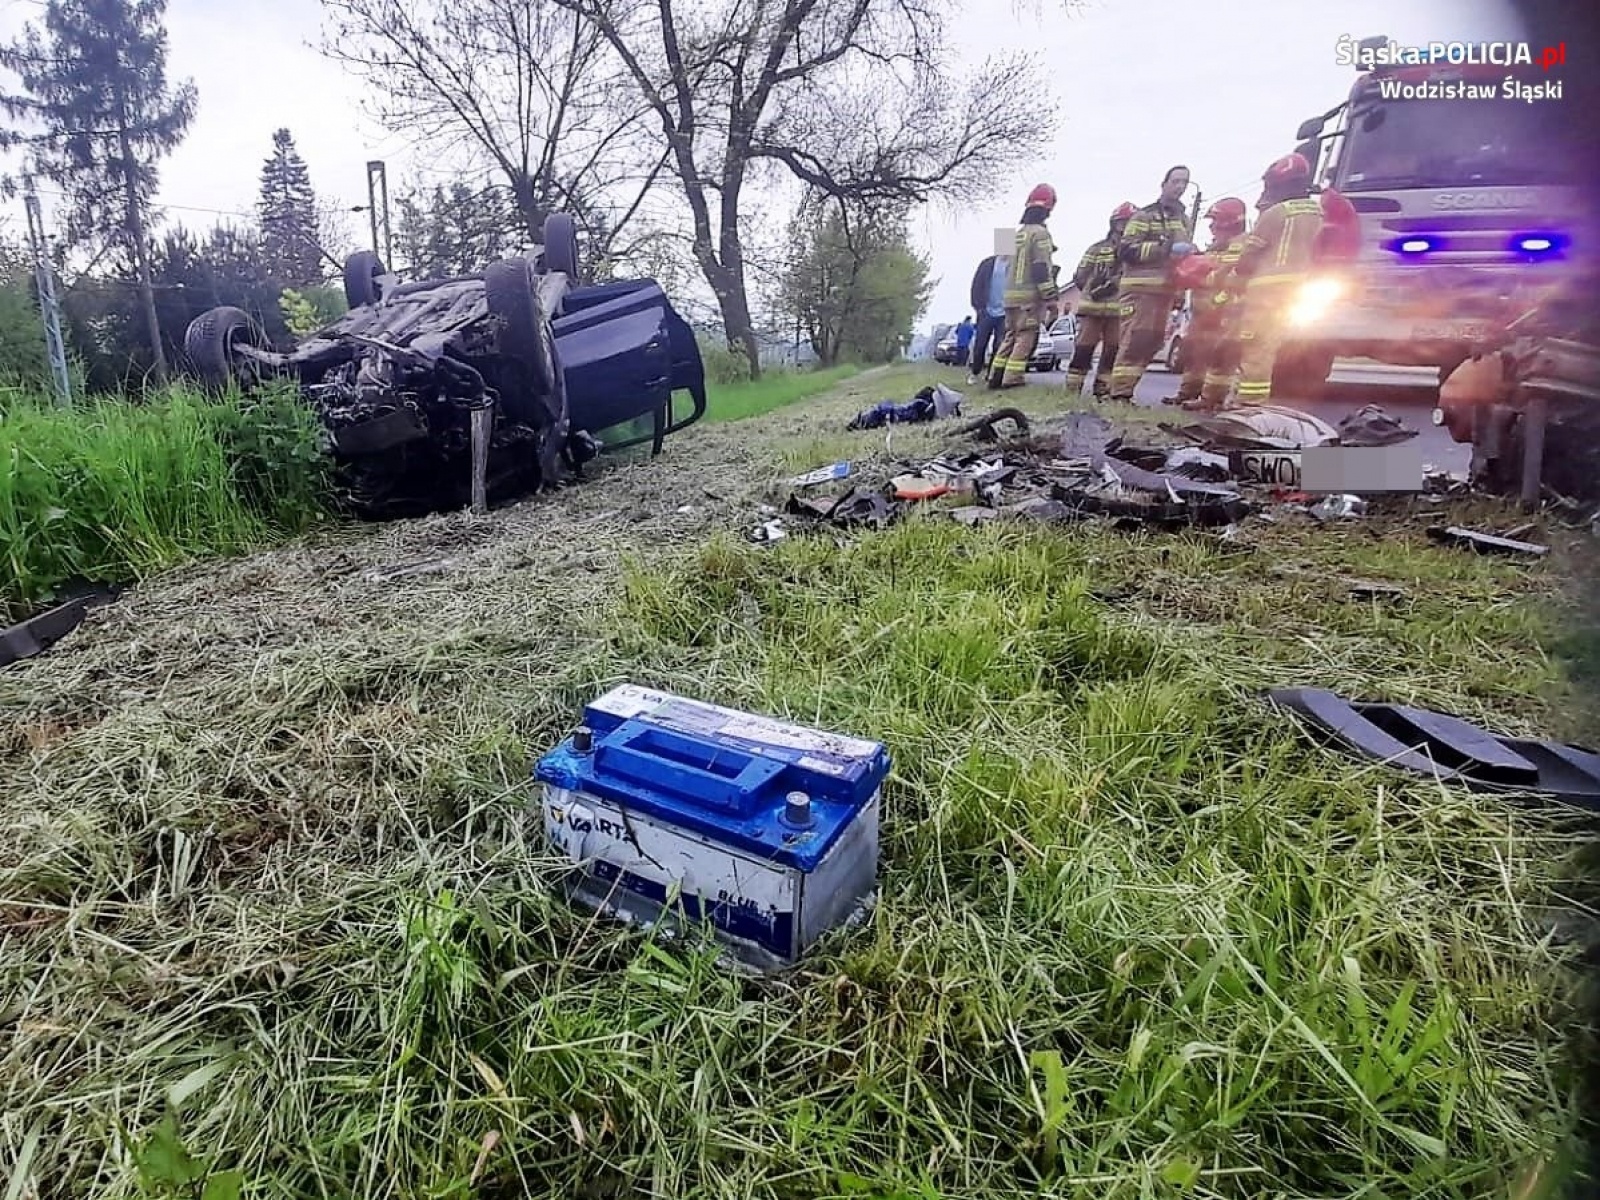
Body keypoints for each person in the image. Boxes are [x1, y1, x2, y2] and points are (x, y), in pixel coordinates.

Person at [1209, 154, 1325, 406]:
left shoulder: (1275, 213)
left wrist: (1232, 282)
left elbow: (1249, 257)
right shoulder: (1320, 212)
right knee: (1285, 347)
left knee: (1256, 349)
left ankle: (1248, 406)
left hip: (1267, 292)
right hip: (1306, 290)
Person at [1105, 166, 1195, 404]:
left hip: (1164, 292)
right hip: (1139, 290)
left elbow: (1181, 261)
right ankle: (1118, 395)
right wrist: (1164, 249)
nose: (1180, 186)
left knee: (1153, 341)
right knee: (1135, 340)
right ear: (1164, 184)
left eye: (1184, 182)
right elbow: (1126, 249)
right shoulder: (1144, 216)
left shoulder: (1184, 220)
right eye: (1175, 181)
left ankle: (1124, 392)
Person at [1162, 197, 1250, 410]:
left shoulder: (1241, 244)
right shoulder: (1216, 247)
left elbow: (1227, 276)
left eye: (1216, 220)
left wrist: (1202, 272)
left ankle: (1213, 398)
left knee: (1221, 356)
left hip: (1225, 310)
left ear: (1230, 221)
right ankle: (1189, 393)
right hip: (1204, 310)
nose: (1212, 226)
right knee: (1195, 354)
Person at [986, 183, 1060, 390]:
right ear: (1047, 209)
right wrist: (1050, 297)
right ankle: (1012, 379)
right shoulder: (1041, 234)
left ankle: (995, 376)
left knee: (1010, 336)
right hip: (1029, 298)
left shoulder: (1016, 234)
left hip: (1009, 297)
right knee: (1025, 337)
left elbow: (1003, 265)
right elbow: (1040, 268)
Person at [1063, 202, 1136, 396]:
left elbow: (1080, 276)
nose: (1125, 227)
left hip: (1116, 312)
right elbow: (1080, 275)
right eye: (1123, 222)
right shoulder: (1099, 249)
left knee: (1111, 352)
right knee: (1084, 349)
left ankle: (1101, 389)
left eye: (1128, 223)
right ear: (1114, 224)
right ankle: (1073, 389)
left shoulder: (1130, 252)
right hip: (1095, 309)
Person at [966, 244, 1011, 384]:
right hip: (987, 311)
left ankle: (991, 374)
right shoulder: (987, 264)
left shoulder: (1014, 266)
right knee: (980, 344)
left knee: (999, 345)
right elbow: (976, 285)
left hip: (1005, 312)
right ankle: (975, 372)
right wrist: (978, 307)